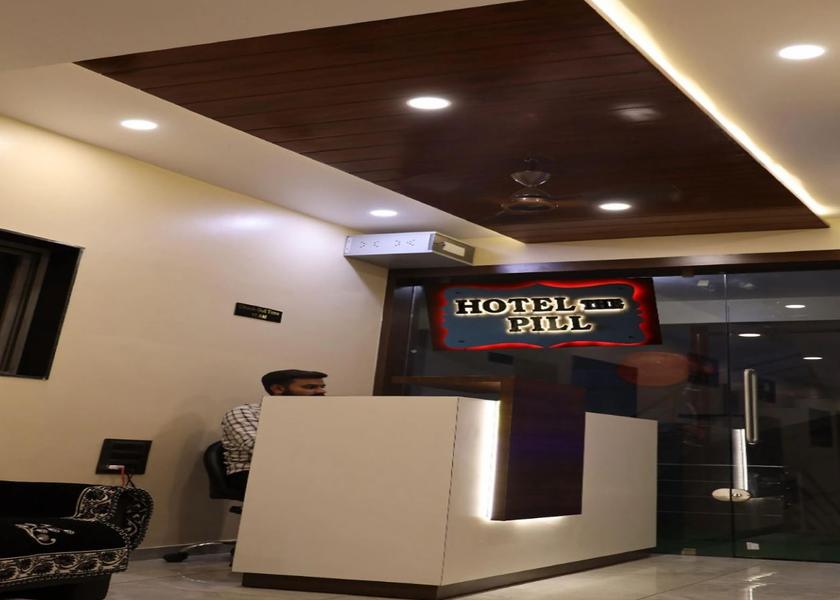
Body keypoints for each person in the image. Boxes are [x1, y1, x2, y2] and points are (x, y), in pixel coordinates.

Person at [221, 369, 327, 493]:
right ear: (278, 389)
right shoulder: (246, 412)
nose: (321, 391)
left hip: (306, 469)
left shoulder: (321, 414)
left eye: (322, 387)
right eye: (310, 387)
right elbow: (261, 450)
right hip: (254, 472)